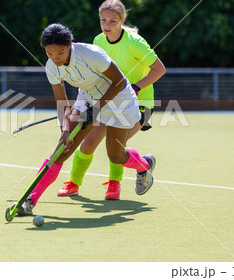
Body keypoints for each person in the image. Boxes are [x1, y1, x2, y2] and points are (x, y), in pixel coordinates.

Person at [15, 23, 156, 215]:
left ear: (70, 45)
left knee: (115, 155)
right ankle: (30, 201)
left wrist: (97, 108)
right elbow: (61, 102)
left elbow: (120, 82)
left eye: (61, 53)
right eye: (50, 54)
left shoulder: (91, 54)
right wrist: (65, 130)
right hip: (88, 98)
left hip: (119, 99)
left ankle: (144, 165)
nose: (55, 58)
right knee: (61, 151)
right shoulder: (52, 67)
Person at [57, 0, 166, 200]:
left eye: (112, 21)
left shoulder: (135, 43)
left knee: (115, 144)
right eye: (103, 20)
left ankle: (117, 183)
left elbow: (159, 69)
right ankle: (73, 183)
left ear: (122, 20)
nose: (107, 26)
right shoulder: (98, 41)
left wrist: (135, 87)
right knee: (88, 143)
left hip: (139, 103)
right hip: (110, 100)